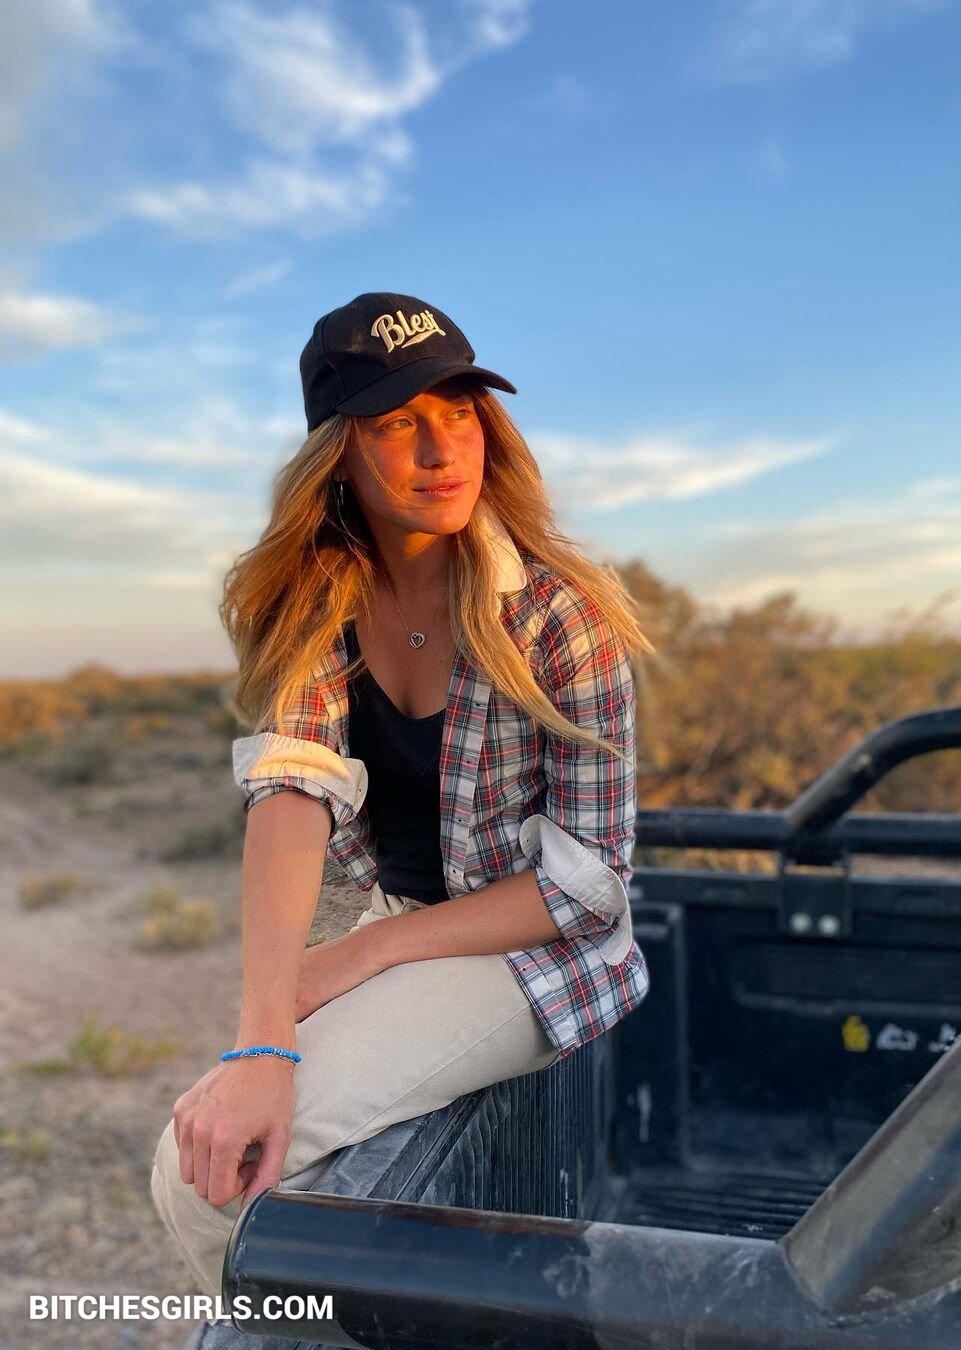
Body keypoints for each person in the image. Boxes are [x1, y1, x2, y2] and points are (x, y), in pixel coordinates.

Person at [149, 291, 654, 1299]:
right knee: (204, 1151)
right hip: (399, 924)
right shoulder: (319, 603)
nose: (440, 449)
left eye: (459, 410)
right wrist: (263, 1031)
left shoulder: (561, 618)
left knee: (207, 1182)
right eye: (395, 422)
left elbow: (590, 884)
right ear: (337, 454)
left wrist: (363, 952)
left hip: (536, 955)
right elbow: (290, 794)